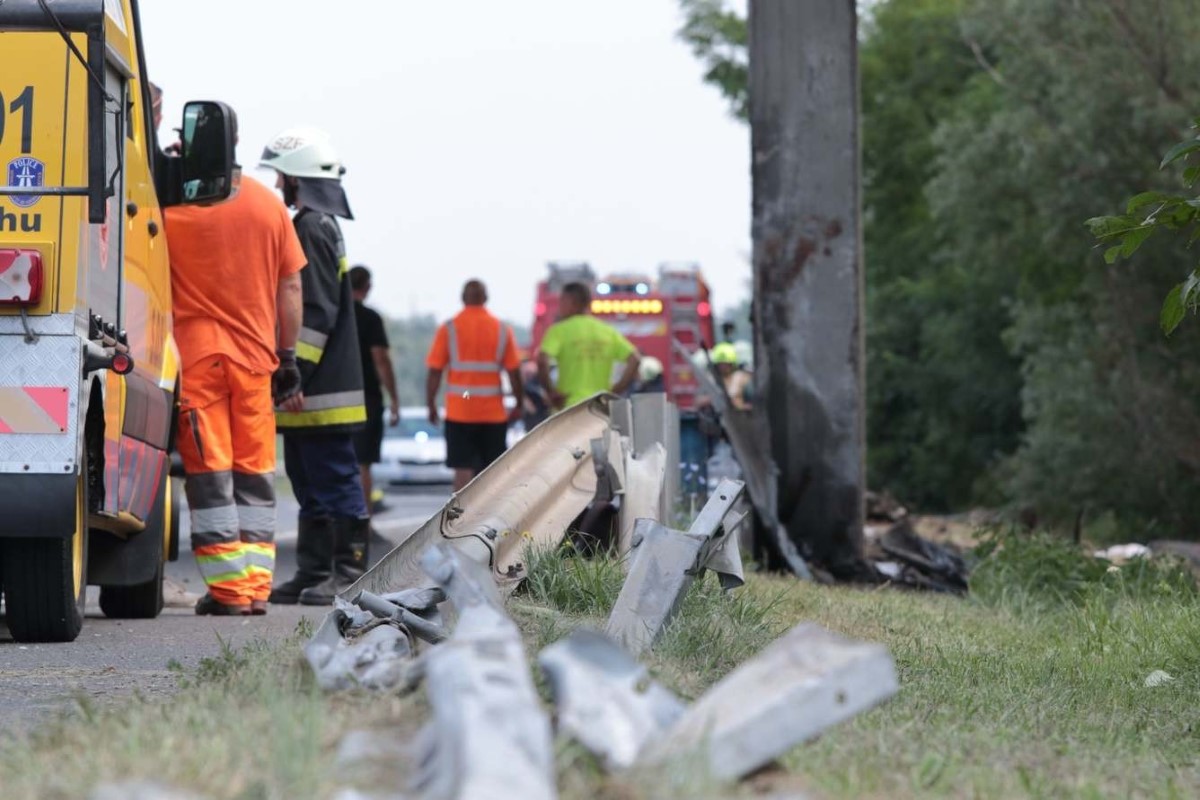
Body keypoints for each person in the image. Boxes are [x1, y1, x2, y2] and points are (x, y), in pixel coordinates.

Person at [164, 113, 307, 616]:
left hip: (197, 361)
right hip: (255, 365)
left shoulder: (169, 207)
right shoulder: (270, 208)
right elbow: (290, 288)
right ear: (235, 143)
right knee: (255, 476)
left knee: (211, 477)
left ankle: (229, 592)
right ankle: (256, 589)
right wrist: (286, 356)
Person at [259, 127, 370, 607]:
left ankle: (347, 573)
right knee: (308, 481)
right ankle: (314, 571)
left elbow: (315, 308)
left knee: (332, 478)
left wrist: (293, 372)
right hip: (313, 387)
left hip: (318, 386)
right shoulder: (316, 223)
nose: (278, 184)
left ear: (297, 178)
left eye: (282, 175)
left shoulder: (312, 226)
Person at [426, 280, 524, 491]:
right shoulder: (501, 329)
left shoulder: (449, 328)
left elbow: (435, 371)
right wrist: (519, 402)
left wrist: (431, 404)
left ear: (463, 298)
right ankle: (490, 519)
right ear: (486, 298)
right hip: (493, 413)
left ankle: (460, 521)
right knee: (493, 471)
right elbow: (514, 372)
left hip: (459, 412)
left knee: (462, 468)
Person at [537, 282, 640, 410]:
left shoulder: (559, 330)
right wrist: (616, 390)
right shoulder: (607, 331)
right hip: (599, 408)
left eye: (562, 302)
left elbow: (542, 360)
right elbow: (635, 358)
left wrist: (550, 392)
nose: (560, 307)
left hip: (568, 408)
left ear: (572, 302)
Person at [348, 265, 400, 516]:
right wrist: (394, 399)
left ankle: (336, 523)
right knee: (362, 463)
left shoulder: (334, 316)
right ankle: (362, 524)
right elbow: (380, 359)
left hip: (330, 397)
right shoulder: (370, 318)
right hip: (366, 397)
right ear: (367, 287)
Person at [710, 342, 753, 410]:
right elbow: (699, 401)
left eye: (726, 364)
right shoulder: (711, 380)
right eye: (720, 364)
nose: (723, 367)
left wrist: (741, 406)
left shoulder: (742, 378)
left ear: (732, 364)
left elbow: (752, 403)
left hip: (739, 418)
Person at [519, 359, 550, 432]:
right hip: (533, 420)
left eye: (531, 374)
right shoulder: (526, 389)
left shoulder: (539, 386)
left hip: (542, 418)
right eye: (527, 374)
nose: (530, 376)